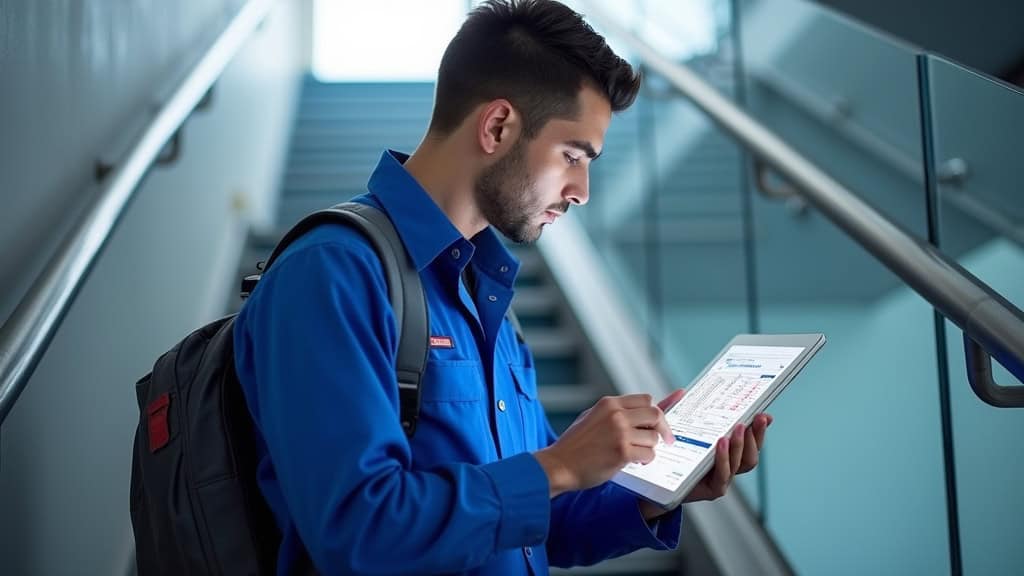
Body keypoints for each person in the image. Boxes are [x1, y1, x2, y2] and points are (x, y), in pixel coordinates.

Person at [233, 1, 771, 574]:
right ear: (497, 126)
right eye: (572, 156)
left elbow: (540, 524)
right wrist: (559, 465)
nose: (582, 190)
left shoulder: (487, 302)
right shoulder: (332, 273)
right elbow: (359, 531)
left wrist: (660, 487)